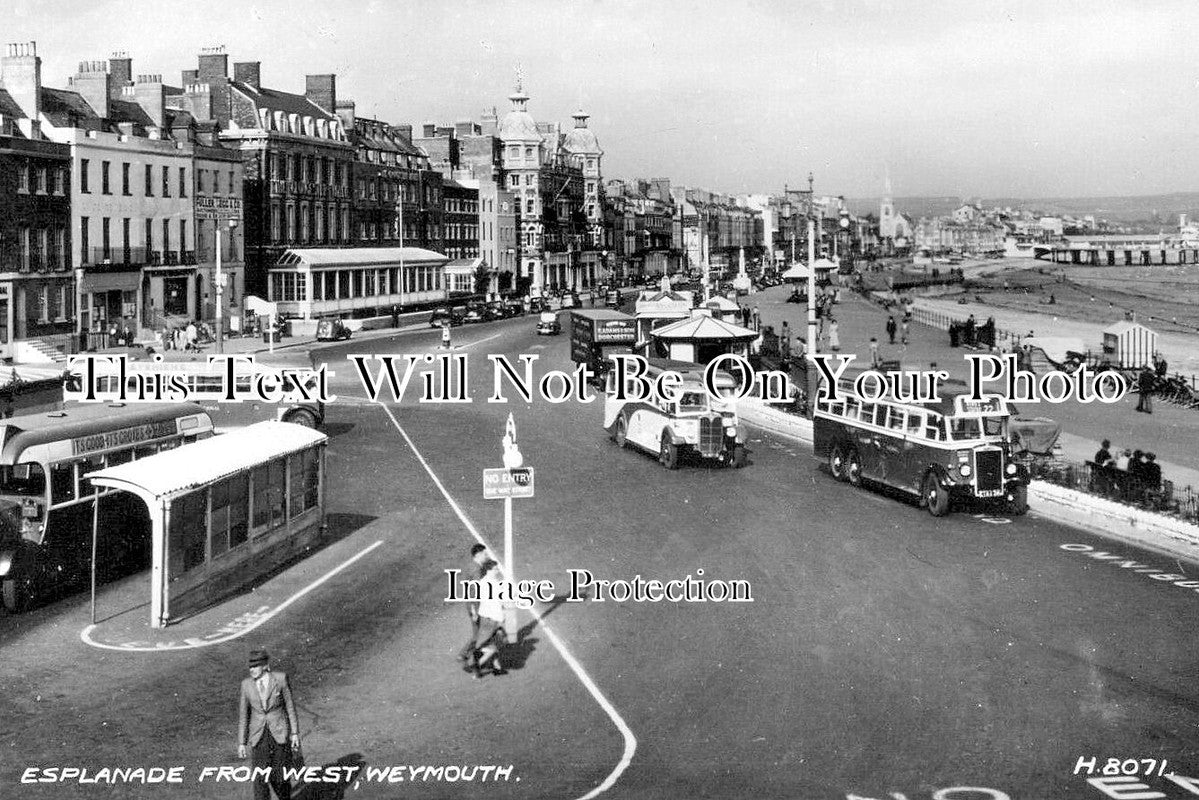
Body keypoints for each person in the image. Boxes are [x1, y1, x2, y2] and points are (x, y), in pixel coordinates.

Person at [237, 650, 301, 800]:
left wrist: (295, 733)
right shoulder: (246, 685)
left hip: (279, 734)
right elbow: (243, 715)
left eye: (255, 666)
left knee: (280, 779)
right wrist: (241, 743)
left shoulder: (280, 679)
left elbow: (290, 707)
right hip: (259, 737)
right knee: (260, 780)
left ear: (265, 666)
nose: (251, 670)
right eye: (250, 667)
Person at [469, 560, 507, 679]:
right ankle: (477, 665)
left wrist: (474, 612)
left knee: (494, 643)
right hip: (491, 620)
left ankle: (497, 668)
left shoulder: (484, 582)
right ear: (489, 570)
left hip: (484, 617)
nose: (497, 570)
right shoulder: (494, 584)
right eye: (495, 569)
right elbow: (500, 602)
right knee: (496, 644)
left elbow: (475, 598)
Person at [456, 544, 491, 663]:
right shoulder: (476, 569)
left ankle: (468, 655)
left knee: (480, 631)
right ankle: (464, 654)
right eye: (485, 554)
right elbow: (477, 589)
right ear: (478, 555)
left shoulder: (474, 566)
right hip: (475, 605)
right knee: (478, 633)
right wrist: (474, 610)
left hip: (472, 603)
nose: (487, 556)